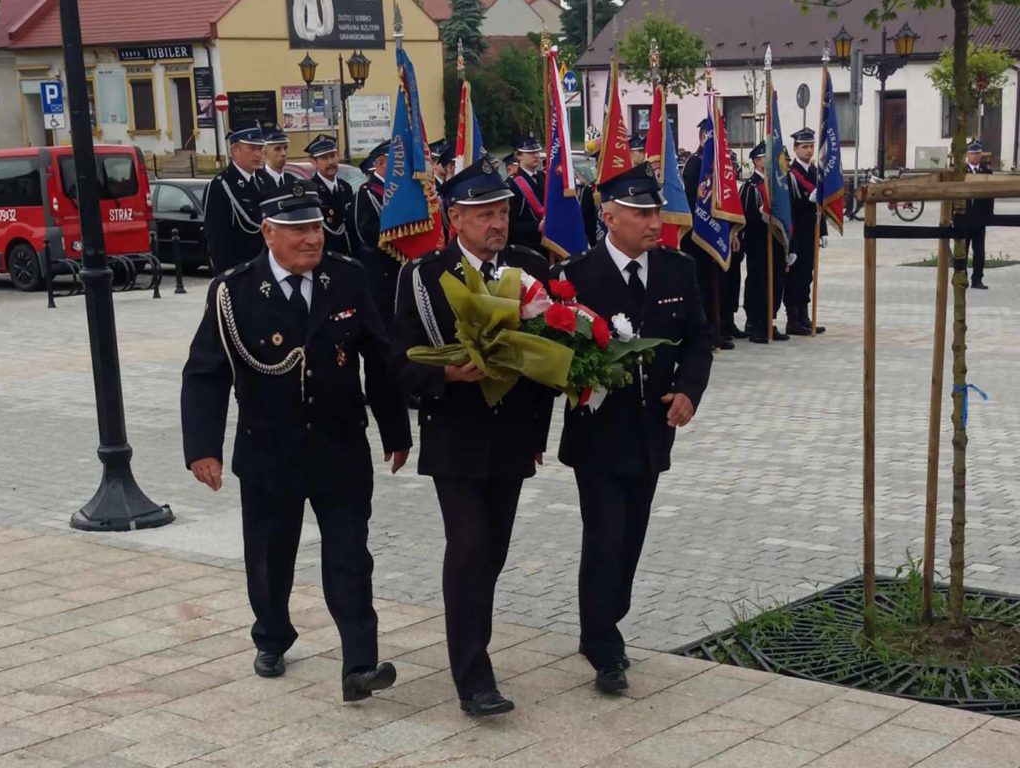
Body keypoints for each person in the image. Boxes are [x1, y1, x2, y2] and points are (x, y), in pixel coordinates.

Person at [180, 181, 411, 701]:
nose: (313, 238)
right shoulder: (234, 291)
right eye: (299, 229)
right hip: (269, 450)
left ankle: (360, 664)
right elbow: (205, 373)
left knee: (350, 556)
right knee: (270, 556)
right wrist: (202, 448)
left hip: (339, 446)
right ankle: (272, 635)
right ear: (268, 233)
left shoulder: (346, 278)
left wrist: (396, 431)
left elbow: (379, 357)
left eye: (317, 228)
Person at [390, 158, 554, 717]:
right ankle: (473, 678)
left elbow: (548, 357)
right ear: (454, 218)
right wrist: (446, 376)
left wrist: (538, 434)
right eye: (485, 214)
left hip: (511, 437)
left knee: (493, 552)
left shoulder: (531, 267)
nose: (497, 223)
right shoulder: (423, 276)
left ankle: (472, 645)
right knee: (468, 548)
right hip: (455, 437)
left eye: (502, 212)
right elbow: (399, 362)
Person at [553, 163, 713, 694]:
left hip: (651, 431)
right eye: (641, 214)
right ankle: (602, 644)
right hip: (598, 434)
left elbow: (698, 342)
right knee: (604, 537)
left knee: (631, 539)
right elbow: (556, 354)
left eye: (655, 212)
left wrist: (688, 391)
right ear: (609, 216)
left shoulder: (677, 270)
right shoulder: (576, 276)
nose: (654, 223)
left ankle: (604, 620)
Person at [681, 118, 732, 350]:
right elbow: (693, 199)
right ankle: (705, 333)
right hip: (699, 234)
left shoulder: (721, 164)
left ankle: (718, 328)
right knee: (702, 286)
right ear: (704, 137)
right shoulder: (695, 164)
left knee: (718, 285)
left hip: (717, 232)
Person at [739, 142, 791, 343]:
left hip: (776, 242)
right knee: (759, 282)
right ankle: (755, 323)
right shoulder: (751, 186)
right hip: (758, 243)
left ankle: (769, 319)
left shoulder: (777, 185)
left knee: (776, 281)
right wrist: (761, 215)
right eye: (764, 158)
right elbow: (745, 217)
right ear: (756, 161)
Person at [204, 127, 266, 274]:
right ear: (234, 151)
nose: (258, 154)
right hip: (241, 271)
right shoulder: (221, 185)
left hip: (266, 269)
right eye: (251, 148)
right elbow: (217, 239)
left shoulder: (264, 180)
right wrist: (227, 277)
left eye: (260, 148)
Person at [354, 140, 401, 327]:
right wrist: (396, 235)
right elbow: (364, 231)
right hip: (380, 265)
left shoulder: (398, 190)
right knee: (384, 317)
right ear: (380, 164)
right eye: (394, 162)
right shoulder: (367, 193)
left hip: (399, 263)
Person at [786, 128, 827, 335]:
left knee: (807, 276)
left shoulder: (815, 172)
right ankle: (793, 319)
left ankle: (805, 317)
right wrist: (806, 201)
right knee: (795, 277)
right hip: (797, 233)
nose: (809, 150)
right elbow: (789, 208)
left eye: (811, 146)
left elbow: (821, 205)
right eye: (804, 147)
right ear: (795, 149)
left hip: (812, 231)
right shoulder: (790, 174)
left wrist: (823, 231)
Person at [305, 134, 354, 256]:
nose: (331, 162)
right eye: (324, 158)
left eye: (333, 156)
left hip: (348, 254)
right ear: (314, 162)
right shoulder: (310, 191)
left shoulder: (345, 187)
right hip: (325, 255)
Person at [723, 150, 747, 340]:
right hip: (720, 240)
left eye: (733, 164)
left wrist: (736, 234)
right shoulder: (718, 187)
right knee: (722, 284)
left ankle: (730, 320)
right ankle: (722, 323)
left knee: (733, 283)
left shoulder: (739, 187)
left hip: (736, 241)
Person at [507, 134, 545, 253]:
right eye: (530, 153)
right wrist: (537, 226)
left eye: (537, 152)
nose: (536, 155)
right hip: (527, 248)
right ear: (519, 156)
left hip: (549, 245)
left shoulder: (545, 178)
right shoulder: (513, 185)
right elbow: (511, 225)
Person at [964, 140, 993, 290]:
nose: (975, 156)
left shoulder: (986, 171)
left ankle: (977, 279)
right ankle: (961, 278)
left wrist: (989, 215)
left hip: (980, 218)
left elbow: (990, 195)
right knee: (961, 250)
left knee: (979, 250)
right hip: (963, 217)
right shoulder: (961, 171)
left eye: (977, 153)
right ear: (967, 155)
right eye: (972, 153)